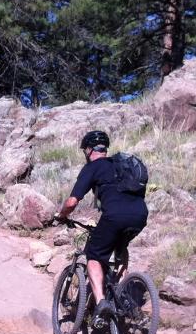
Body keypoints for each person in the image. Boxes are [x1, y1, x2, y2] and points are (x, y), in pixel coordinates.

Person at [55, 130, 149, 321]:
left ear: (89, 150)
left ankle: (101, 304)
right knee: (120, 249)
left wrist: (62, 215)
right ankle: (125, 296)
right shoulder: (121, 165)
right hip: (139, 215)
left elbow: (72, 202)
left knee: (94, 257)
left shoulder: (93, 167)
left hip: (115, 216)